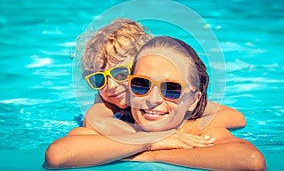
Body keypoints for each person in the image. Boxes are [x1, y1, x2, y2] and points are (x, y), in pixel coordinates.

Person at [44, 19, 247, 169]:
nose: (111, 86)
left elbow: (236, 118)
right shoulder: (105, 106)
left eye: (120, 74)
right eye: (100, 79)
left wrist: (190, 125)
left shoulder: (174, 103)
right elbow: (92, 125)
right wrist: (152, 140)